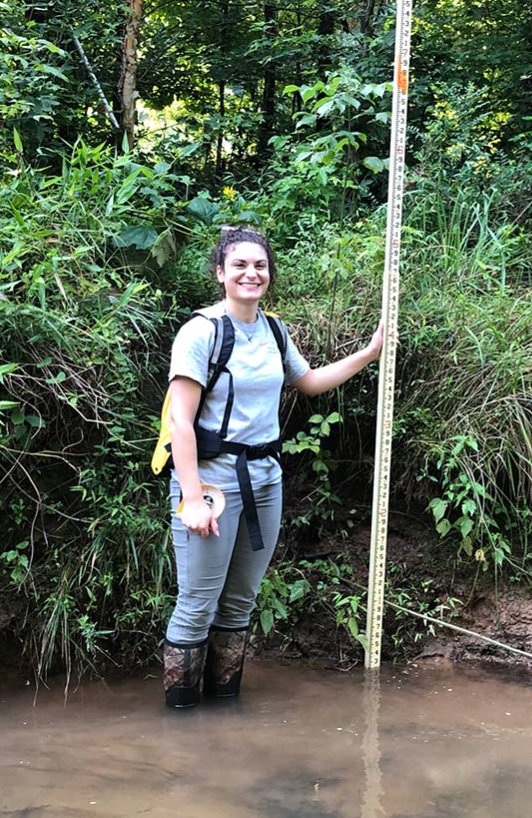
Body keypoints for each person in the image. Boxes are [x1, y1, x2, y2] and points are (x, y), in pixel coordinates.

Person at [161, 226, 383, 707]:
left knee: (240, 601)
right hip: (212, 482)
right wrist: (192, 498)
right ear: (220, 273)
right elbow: (181, 421)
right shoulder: (201, 332)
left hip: (266, 480)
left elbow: (309, 382)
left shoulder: (273, 330)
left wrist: (369, 354)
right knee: (197, 605)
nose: (251, 273)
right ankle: (180, 722)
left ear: (269, 275)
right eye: (239, 264)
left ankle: (224, 708)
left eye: (260, 265)